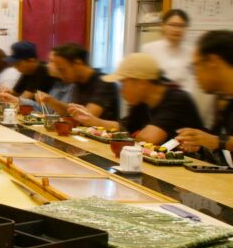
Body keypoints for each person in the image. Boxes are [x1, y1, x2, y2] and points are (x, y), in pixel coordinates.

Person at [70, 53, 205, 144]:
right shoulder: (142, 102)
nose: (121, 90)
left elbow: (148, 138)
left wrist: (132, 133)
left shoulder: (176, 100)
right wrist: (91, 120)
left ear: (140, 83)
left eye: (123, 83)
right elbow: (125, 127)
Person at [142, 9, 214, 126]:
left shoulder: (192, 52)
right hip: (158, 107)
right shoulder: (149, 49)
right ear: (163, 26)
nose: (177, 29)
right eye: (173, 25)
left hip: (185, 108)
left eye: (181, 26)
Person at [176, 30, 233, 164]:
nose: (195, 74)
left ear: (213, 61)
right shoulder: (225, 101)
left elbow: (220, 141)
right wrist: (201, 143)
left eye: (196, 66)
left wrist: (215, 141)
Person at [48, 43, 120, 120]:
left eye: (62, 70)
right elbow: (71, 112)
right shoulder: (77, 82)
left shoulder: (104, 82)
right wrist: (51, 101)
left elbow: (87, 116)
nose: (61, 76)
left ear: (78, 63)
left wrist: (55, 103)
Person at [0, 51, 74, 112]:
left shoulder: (41, 71)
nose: (47, 65)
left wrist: (52, 102)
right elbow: (43, 109)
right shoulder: (57, 83)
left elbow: (67, 114)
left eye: (52, 61)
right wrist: (15, 99)